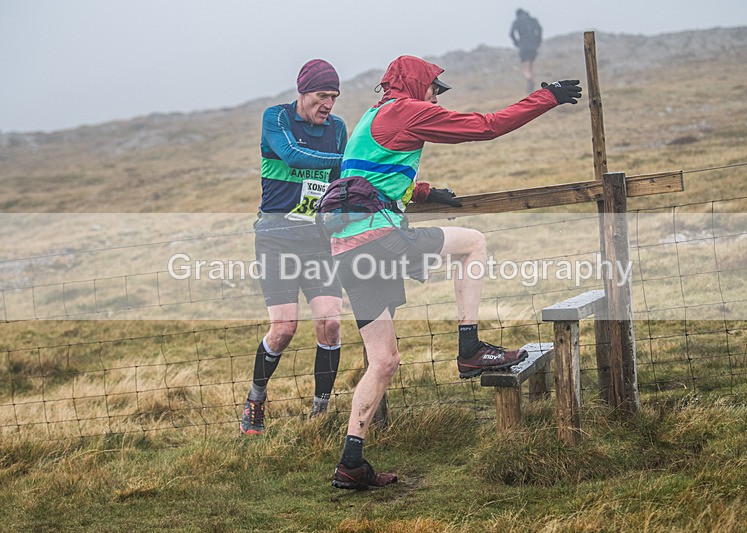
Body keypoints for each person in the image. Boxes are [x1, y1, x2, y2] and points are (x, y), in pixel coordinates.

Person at [327, 55, 581, 489]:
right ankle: (470, 349)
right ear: (416, 83)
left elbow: (369, 178)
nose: (436, 97)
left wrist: (426, 192)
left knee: (384, 361)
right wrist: (547, 97)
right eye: (435, 89)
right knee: (474, 243)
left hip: (348, 249)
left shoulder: (371, 117)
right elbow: (485, 126)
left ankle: (351, 464)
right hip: (379, 239)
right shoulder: (408, 111)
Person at [239, 59, 348, 435]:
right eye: (322, 96)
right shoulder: (277, 118)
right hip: (276, 236)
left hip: (317, 241)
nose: (329, 104)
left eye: (333, 97)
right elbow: (293, 156)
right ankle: (255, 400)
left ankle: (320, 413)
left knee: (331, 324)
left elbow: (341, 181)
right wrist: (349, 162)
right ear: (303, 92)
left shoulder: (337, 129)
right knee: (284, 328)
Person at [510, 8, 543, 93]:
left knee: (525, 68)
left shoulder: (517, 22)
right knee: (530, 66)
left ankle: (530, 80)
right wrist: (538, 41)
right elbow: (540, 29)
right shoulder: (533, 20)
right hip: (533, 46)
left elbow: (511, 34)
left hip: (523, 47)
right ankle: (530, 85)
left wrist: (517, 43)